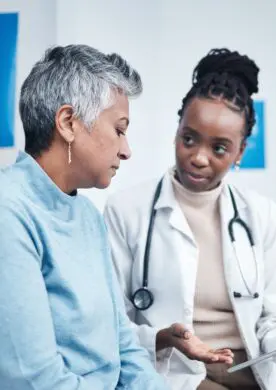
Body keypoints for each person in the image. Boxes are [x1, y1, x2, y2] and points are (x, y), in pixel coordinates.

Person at [104, 48, 276, 390]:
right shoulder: (127, 210)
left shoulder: (261, 215)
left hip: (254, 371)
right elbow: (113, 323)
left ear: (240, 152)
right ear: (177, 130)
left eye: (219, 149)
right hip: (177, 373)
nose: (198, 157)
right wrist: (162, 337)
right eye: (189, 139)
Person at [0, 44, 169, 390]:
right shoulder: (9, 212)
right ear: (67, 123)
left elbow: (123, 345)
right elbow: (33, 379)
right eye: (119, 130)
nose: (126, 150)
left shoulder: (88, 216)